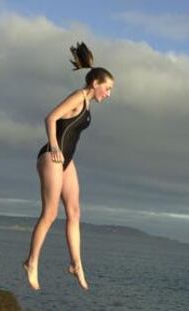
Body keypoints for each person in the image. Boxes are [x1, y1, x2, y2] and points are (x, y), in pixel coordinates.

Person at [23, 42, 115, 291]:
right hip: (52, 157)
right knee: (50, 214)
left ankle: (76, 265)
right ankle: (31, 263)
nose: (108, 94)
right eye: (107, 88)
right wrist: (53, 147)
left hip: (66, 161)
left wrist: (64, 157)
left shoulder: (87, 106)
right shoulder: (77, 96)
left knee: (74, 213)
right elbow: (50, 117)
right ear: (95, 83)